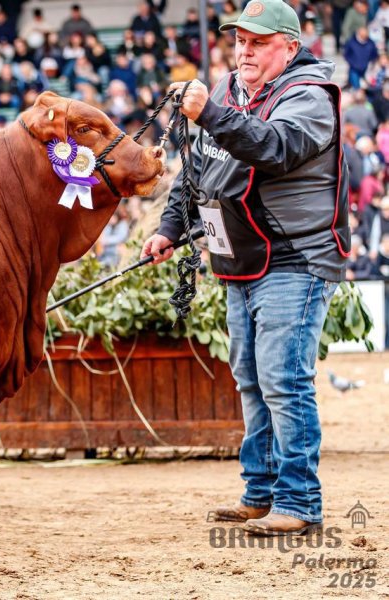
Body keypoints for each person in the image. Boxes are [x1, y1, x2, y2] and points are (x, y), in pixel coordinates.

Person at [142, 0, 350, 536]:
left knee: (283, 379)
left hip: (296, 256)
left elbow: (274, 148)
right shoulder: (225, 90)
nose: (245, 50)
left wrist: (209, 113)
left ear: (290, 47)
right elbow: (196, 174)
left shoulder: (310, 97)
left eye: (258, 42)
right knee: (252, 380)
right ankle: (260, 491)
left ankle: (299, 502)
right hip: (240, 256)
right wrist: (169, 228)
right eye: (240, 40)